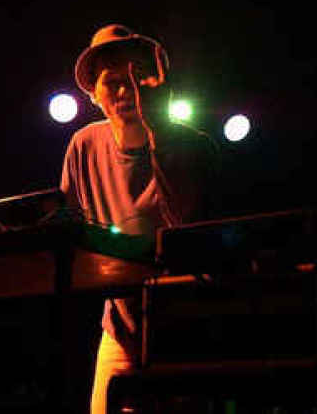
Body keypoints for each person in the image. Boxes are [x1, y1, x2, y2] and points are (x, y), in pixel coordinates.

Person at [60, 24, 220, 414]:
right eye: (112, 81)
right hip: (121, 327)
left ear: (158, 84)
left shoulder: (194, 146)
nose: (125, 90)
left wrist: (159, 136)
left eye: (136, 78)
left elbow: (190, 230)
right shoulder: (83, 145)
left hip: (187, 324)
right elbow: (69, 228)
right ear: (93, 94)